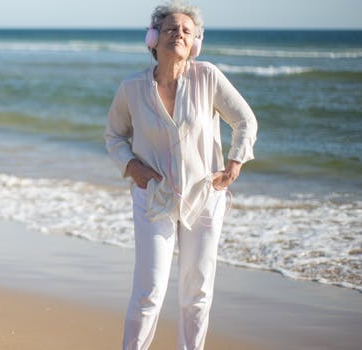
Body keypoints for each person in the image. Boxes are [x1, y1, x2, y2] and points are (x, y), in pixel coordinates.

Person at [104, 1, 258, 349]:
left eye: (187, 30)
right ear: (153, 39)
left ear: (196, 42)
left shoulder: (208, 77)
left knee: (197, 292)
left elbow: (245, 121)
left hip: (204, 199)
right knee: (149, 291)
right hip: (153, 198)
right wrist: (132, 167)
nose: (180, 34)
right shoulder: (132, 88)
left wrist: (235, 162)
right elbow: (114, 135)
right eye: (171, 28)